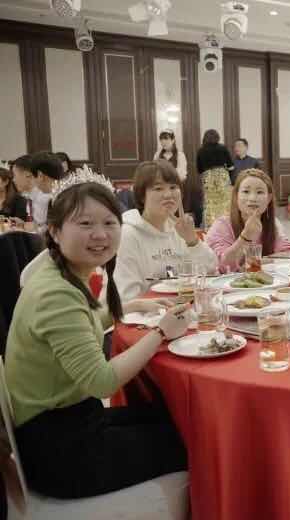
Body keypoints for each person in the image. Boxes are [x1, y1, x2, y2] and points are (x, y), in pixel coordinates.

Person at [4, 178, 189, 499]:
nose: (101, 234)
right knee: (191, 440)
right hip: (60, 452)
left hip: (70, 421)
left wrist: (131, 306)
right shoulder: (56, 294)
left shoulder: (58, 273)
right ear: (55, 231)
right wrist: (160, 333)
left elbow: (80, 324)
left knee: (177, 417)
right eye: (85, 224)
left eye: (109, 223)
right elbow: (101, 382)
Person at [115, 160, 217, 302]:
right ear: (142, 196)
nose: (168, 194)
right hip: (142, 313)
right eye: (158, 189)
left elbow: (210, 270)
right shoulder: (127, 234)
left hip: (181, 309)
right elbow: (125, 297)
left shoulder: (179, 229)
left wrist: (192, 241)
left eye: (173, 187)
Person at [206, 168, 290, 272]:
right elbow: (223, 266)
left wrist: (258, 262)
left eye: (259, 192)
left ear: (268, 199)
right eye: (246, 191)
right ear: (236, 196)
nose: (253, 198)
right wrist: (245, 237)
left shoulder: (273, 224)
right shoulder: (221, 225)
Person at [194, 129, 234, 228]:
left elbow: (199, 170)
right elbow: (231, 166)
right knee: (225, 202)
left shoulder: (201, 150)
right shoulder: (222, 148)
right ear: (217, 137)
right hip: (222, 177)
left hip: (208, 178)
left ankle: (211, 226)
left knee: (210, 203)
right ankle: (226, 225)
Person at [29, 152, 67, 232]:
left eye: (32, 177)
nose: (32, 181)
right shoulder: (63, 192)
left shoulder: (57, 198)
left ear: (40, 175)